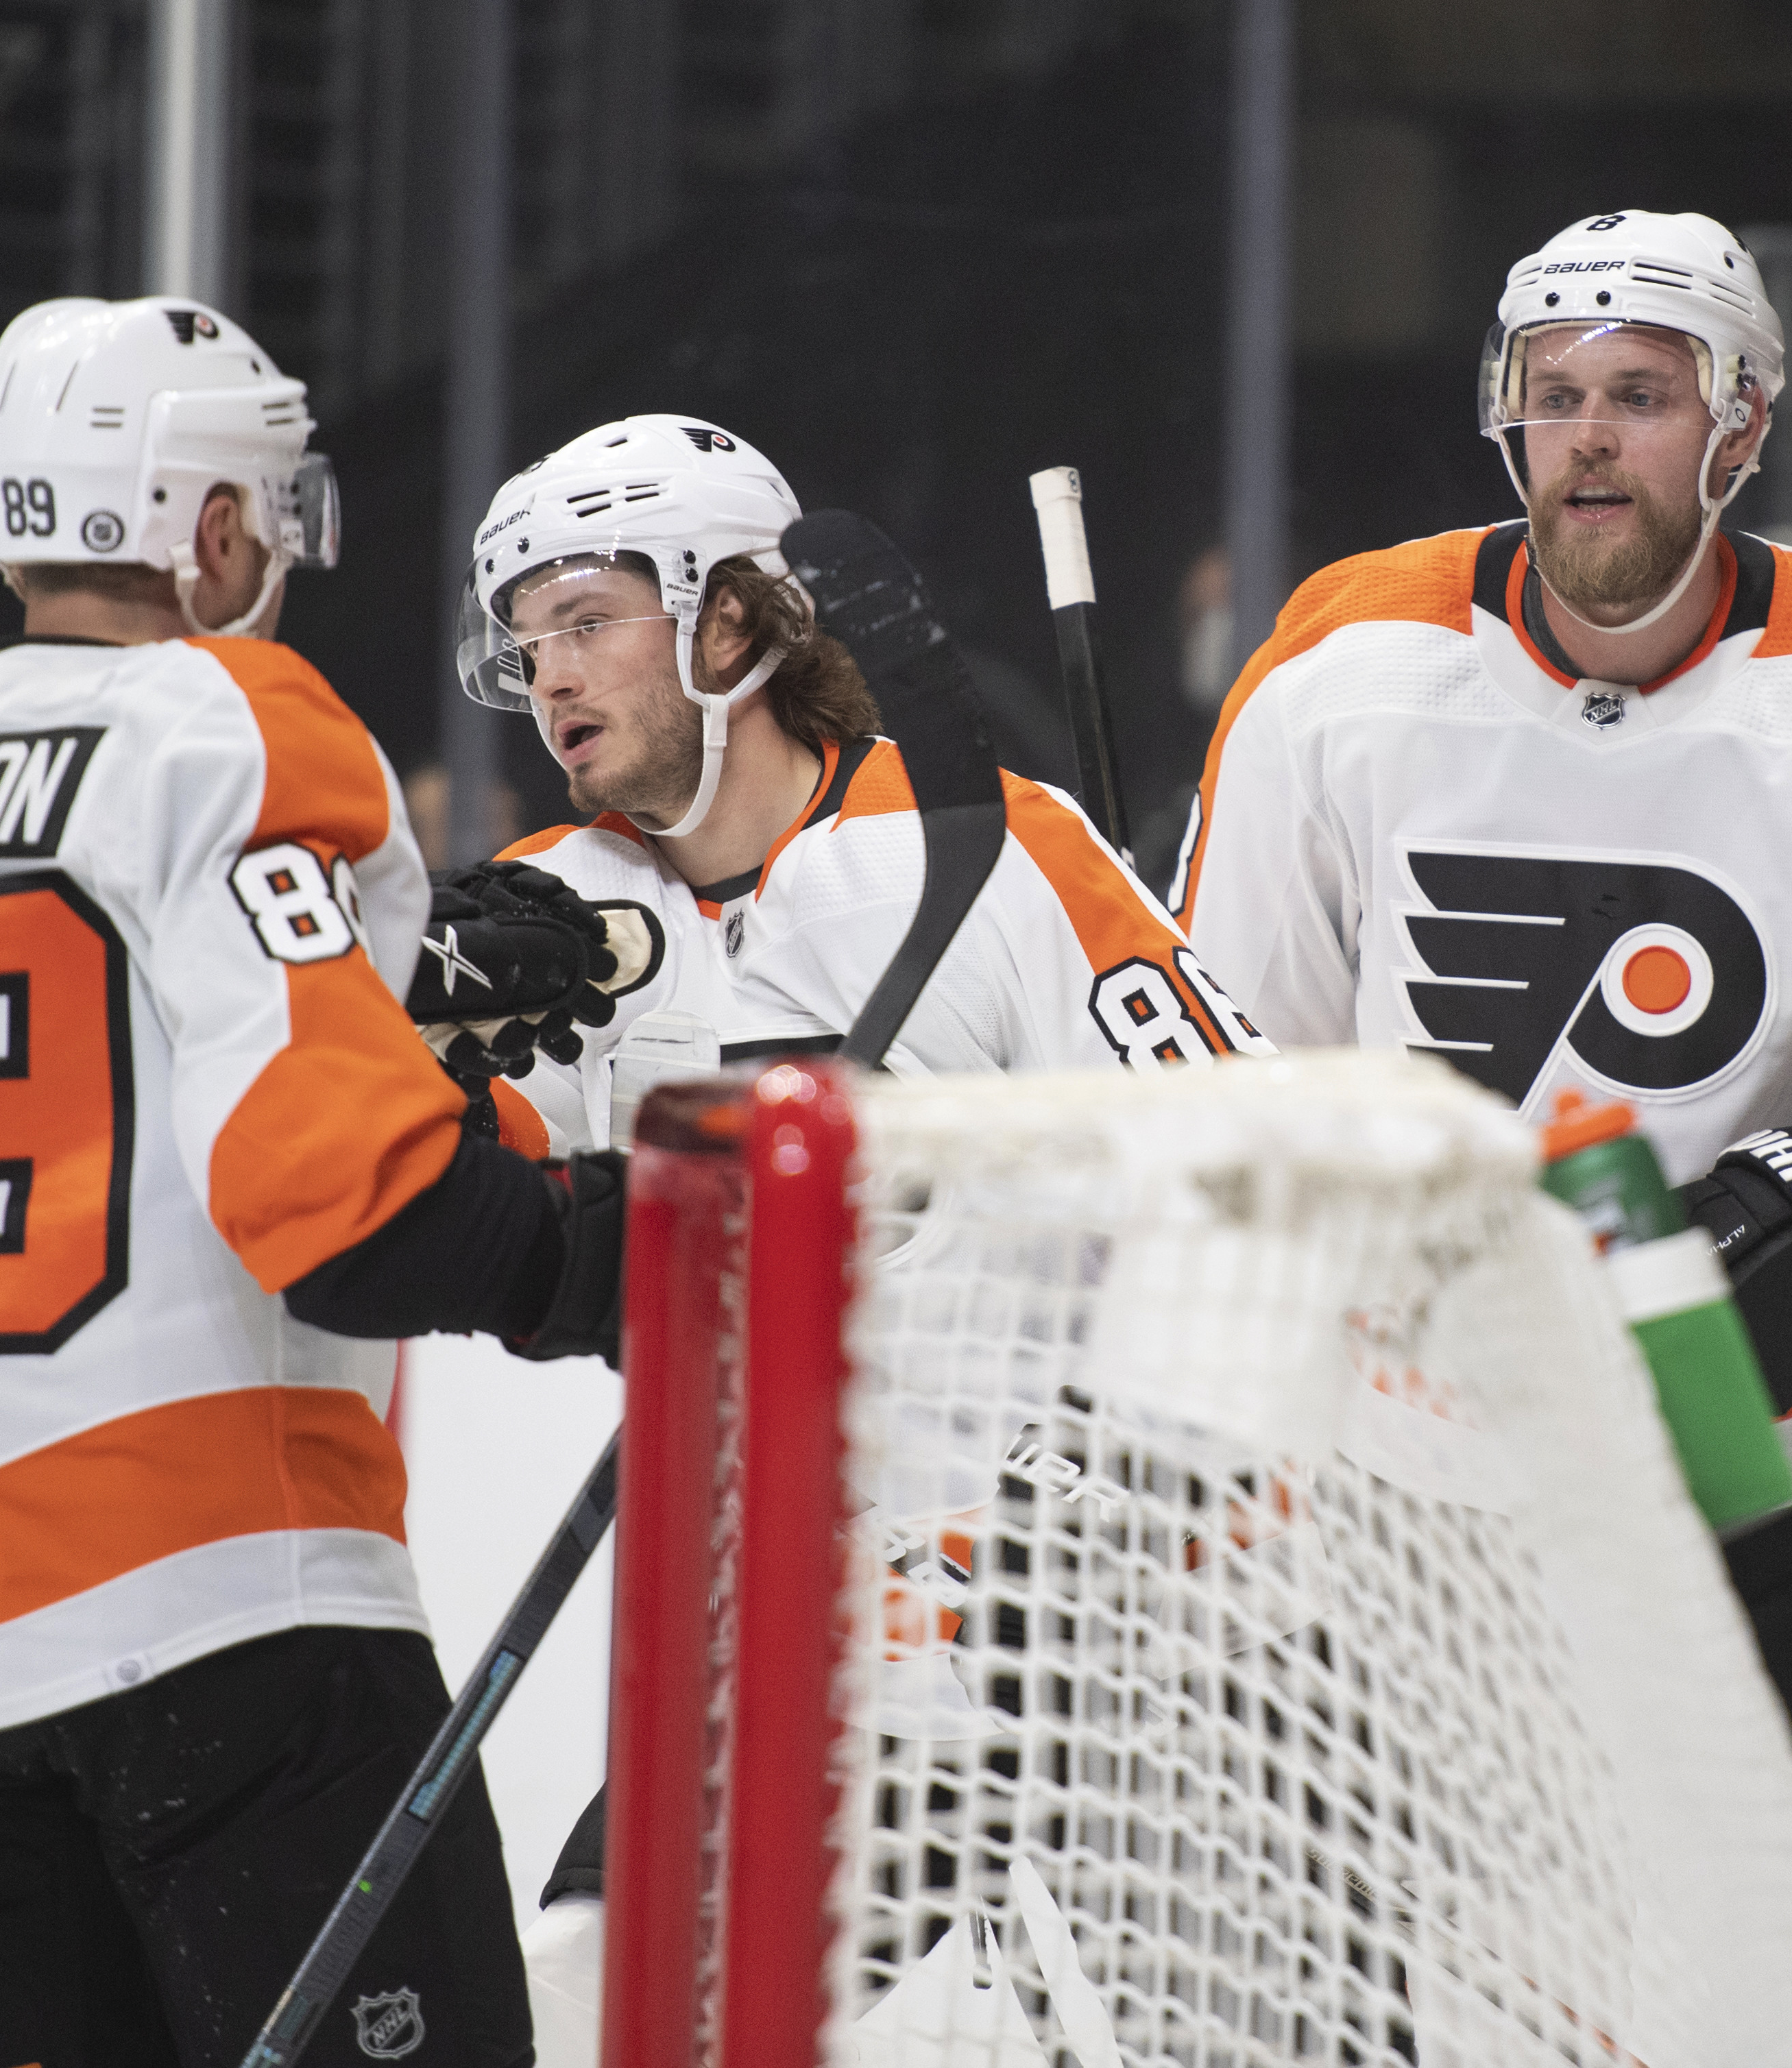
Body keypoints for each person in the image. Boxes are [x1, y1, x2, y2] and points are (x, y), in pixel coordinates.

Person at [1176, 207, 1792, 2067]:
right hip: (1413, 1467)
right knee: (1454, 1979)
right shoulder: (1339, 662)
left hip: (1774, 1448)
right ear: (1504, 421)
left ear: (1739, 426)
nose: (1589, 435)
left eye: (1642, 395)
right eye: (1555, 397)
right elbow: (1225, 1071)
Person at [0, 295, 627, 2068]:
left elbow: (87, 1009)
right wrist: (626, 1246)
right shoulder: (229, 710)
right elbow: (355, 1216)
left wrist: (416, 959)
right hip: (199, 1625)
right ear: (213, 527)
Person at [441, 412, 1272, 2060]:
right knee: (591, 2001)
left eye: (589, 616)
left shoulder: (993, 849)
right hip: (807, 1646)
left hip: (1118, 1624)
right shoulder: (548, 914)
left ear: (730, 622)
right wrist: (415, 1027)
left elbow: (1246, 1166)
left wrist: (1137, 1447)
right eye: (526, 638)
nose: (549, 673)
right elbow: (471, 1224)